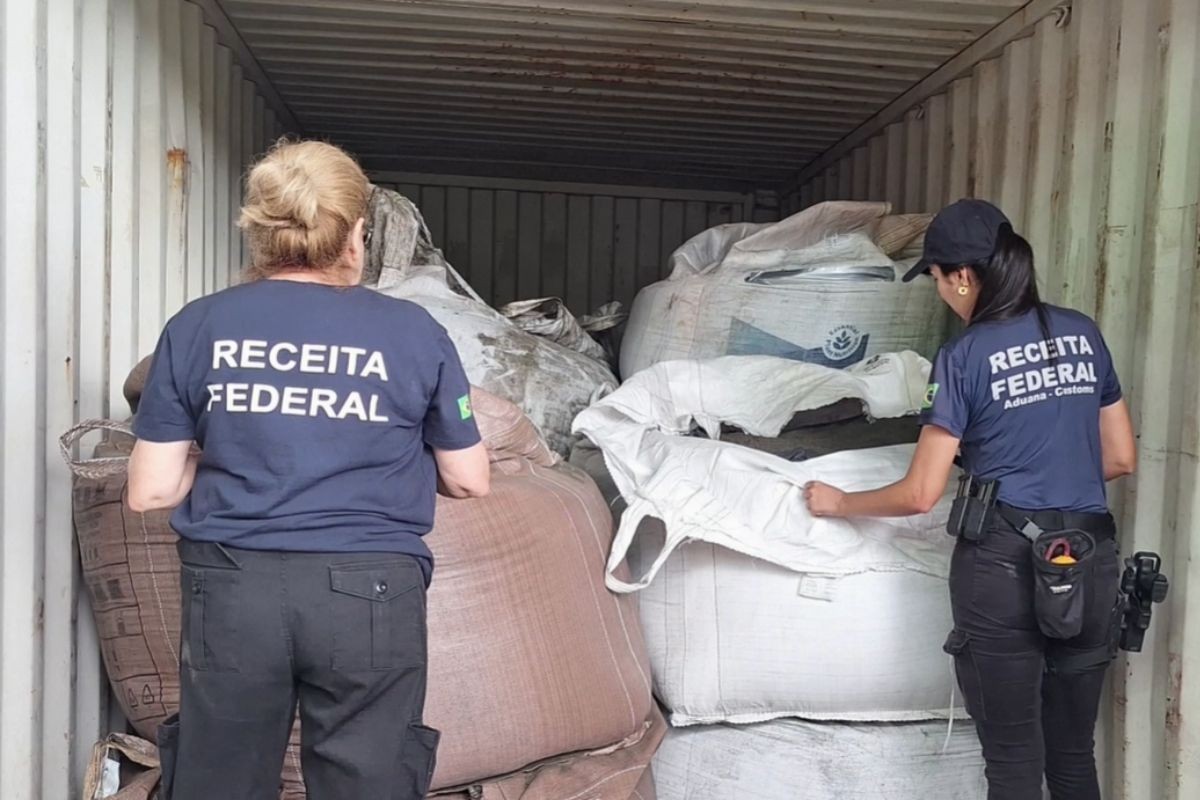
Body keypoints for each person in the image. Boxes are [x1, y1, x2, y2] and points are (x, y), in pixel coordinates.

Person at [127, 140, 490, 800]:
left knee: (220, 777)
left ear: (259, 231)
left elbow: (150, 489)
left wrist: (227, 460)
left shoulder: (198, 324)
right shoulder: (414, 331)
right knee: (369, 777)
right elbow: (468, 478)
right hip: (370, 589)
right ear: (356, 233)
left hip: (233, 582)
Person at [804, 199, 1136, 800]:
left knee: (1013, 761)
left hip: (1005, 567)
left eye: (935, 277)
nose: (939, 292)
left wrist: (839, 502)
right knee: (1072, 754)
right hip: (1089, 560)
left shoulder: (963, 356)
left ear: (962, 276)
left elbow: (920, 493)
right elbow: (1119, 458)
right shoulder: (1083, 332)